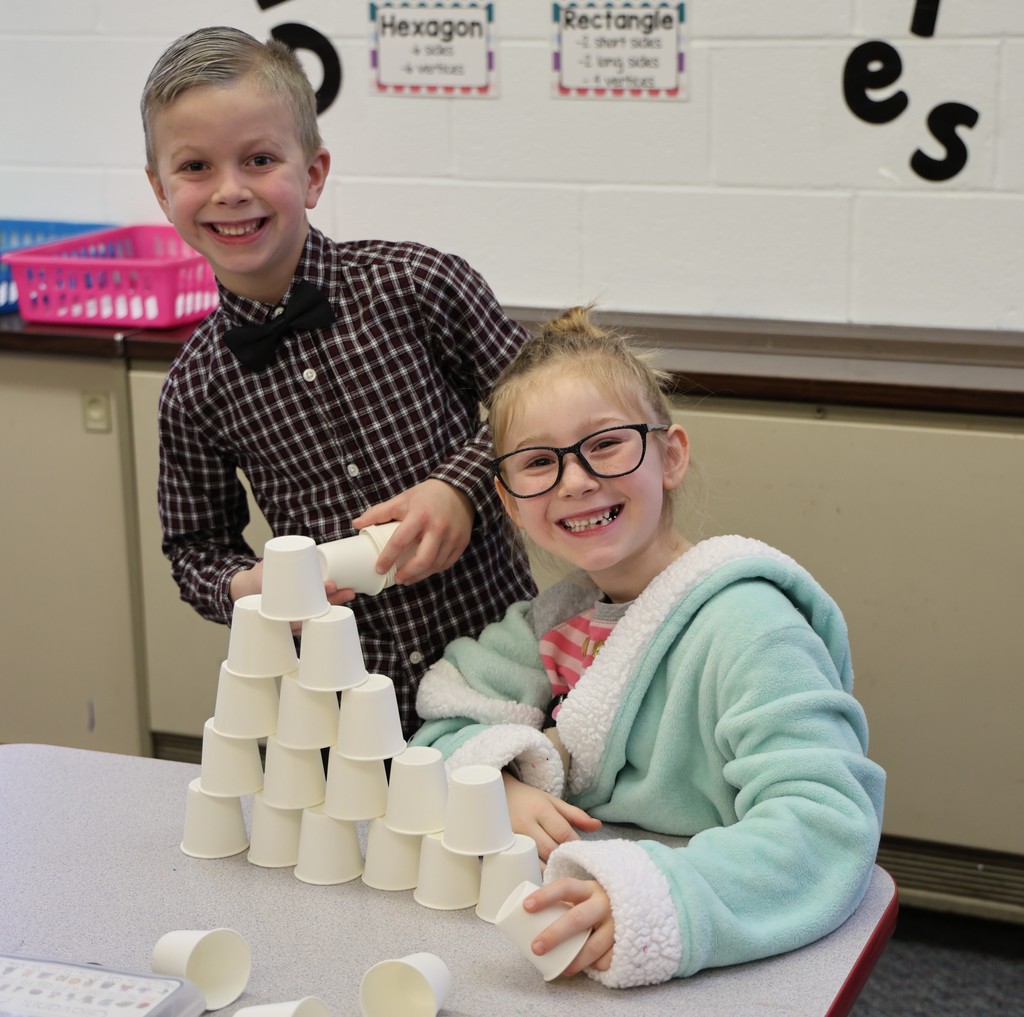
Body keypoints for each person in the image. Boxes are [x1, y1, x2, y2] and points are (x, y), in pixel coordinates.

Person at [410, 306, 886, 987]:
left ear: (670, 455)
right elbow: (446, 718)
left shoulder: (752, 624)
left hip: (722, 938)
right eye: (539, 461)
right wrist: (498, 781)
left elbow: (825, 825)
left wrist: (651, 899)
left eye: (605, 444)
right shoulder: (555, 620)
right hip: (577, 918)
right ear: (511, 502)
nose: (574, 479)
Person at [141, 26, 536, 735]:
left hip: (507, 669)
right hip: (350, 704)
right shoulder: (194, 385)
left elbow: (542, 401)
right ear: (161, 190)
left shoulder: (416, 283)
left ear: (314, 173)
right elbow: (194, 550)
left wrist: (462, 487)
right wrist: (253, 589)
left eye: (259, 159)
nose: (230, 190)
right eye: (196, 166)